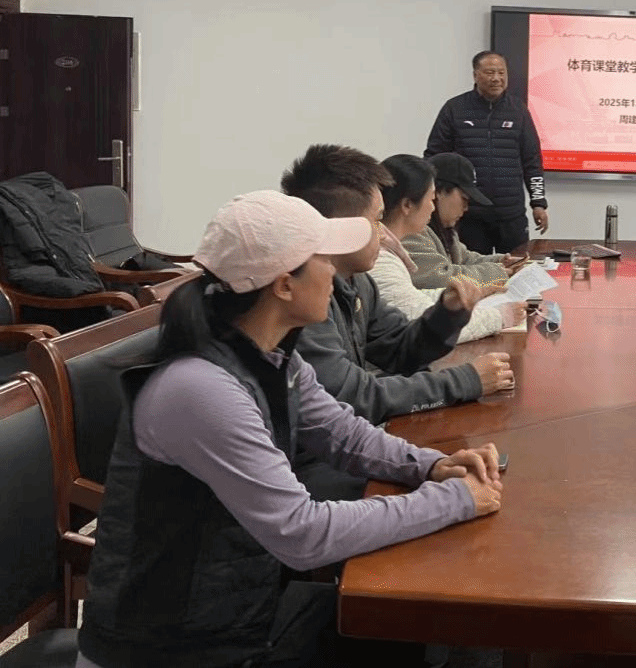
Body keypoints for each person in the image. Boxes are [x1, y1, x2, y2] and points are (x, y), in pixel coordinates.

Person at [76, 190, 503, 668]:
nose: (336, 273)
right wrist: (453, 500)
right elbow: (302, 534)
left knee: (433, 623)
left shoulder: (270, 354)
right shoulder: (201, 389)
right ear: (283, 285)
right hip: (174, 649)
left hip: (241, 613)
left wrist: (431, 465)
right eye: (325, 260)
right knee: (436, 631)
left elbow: (343, 433)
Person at [281, 145, 515, 430]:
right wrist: (464, 381)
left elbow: (401, 349)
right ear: (341, 227)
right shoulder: (301, 298)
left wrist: (448, 314)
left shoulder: (358, 281)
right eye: (377, 220)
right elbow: (352, 396)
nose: (385, 235)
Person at [373, 153, 527, 339]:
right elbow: (425, 322)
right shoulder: (383, 258)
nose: (432, 207)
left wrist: (476, 288)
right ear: (407, 205)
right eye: (430, 199)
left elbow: (418, 297)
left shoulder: (438, 232)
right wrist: (500, 315)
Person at [425, 50, 547, 253]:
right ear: (475, 75)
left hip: (511, 215)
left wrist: (539, 203)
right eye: (490, 72)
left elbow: (532, 161)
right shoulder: (455, 108)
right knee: (472, 268)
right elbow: (434, 158)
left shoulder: (519, 110)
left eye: (501, 72)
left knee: (516, 267)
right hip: (469, 216)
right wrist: (435, 201)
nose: (496, 78)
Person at [406, 152, 522, 288]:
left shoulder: (444, 230)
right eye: (464, 199)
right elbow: (439, 277)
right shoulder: (411, 231)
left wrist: (500, 261)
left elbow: (465, 259)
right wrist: (495, 272)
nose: (466, 208)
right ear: (438, 192)